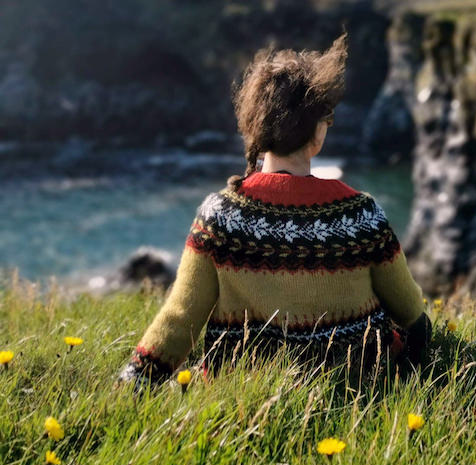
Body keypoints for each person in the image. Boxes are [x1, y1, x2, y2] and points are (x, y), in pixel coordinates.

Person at [117, 32, 430, 388]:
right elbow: (410, 312)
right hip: (355, 383)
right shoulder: (361, 215)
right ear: (317, 133)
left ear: (255, 127)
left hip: (242, 388)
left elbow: (181, 317)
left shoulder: (220, 216)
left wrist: (136, 378)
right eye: (326, 118)